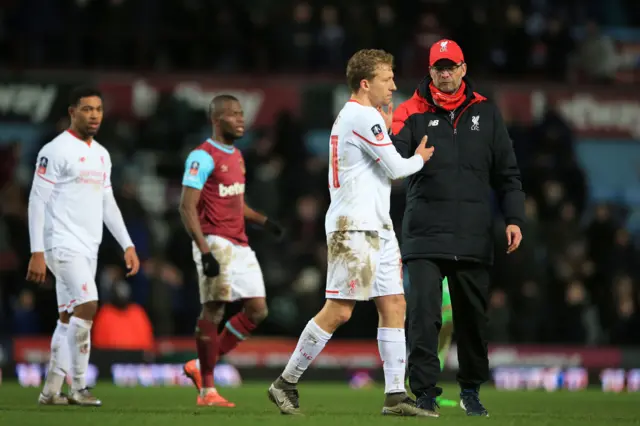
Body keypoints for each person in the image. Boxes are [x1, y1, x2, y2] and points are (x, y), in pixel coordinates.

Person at [267, 49, 436, 417]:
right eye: (387, 78)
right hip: (355, 227)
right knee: (340, 311)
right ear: (365, 82)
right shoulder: (361, 115)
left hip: (378, 225)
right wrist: (421, 157)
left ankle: (394, 395)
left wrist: (388, 133)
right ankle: (285, 382)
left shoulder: (361, 118)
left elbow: (376, 166)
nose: (394, 84)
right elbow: (395, 169)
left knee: (394, 304)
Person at [391, 39, 525, 416]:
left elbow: (508, 174)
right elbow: (392, 161)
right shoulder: (409, 111)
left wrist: (514, 218)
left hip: (473, 234)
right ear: (429, 71)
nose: (445, 73)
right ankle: (425, 394)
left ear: (464, 69)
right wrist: (386, 134)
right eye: (438, 67)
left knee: (472, 321)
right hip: (424, 233)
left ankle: (470, 391)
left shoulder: (487, 112)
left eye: (451, 66)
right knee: (423, 318)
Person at [28, 86, 141, 406]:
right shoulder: (55, 150)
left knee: (68, 317)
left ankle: (50, 391)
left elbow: (108, 202)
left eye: (99, 110)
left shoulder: (102, 154)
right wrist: (37, 251)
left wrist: (127, 244)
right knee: (88, 304)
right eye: (87, 109)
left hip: (88, 247)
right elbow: (37, 201)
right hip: (60, 244)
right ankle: (78, 386)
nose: (94, 115)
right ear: (72, 112)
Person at [179, 94, 285, 407]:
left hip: (239, 242)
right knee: (214, 308)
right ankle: (207, 390)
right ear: (216, 119)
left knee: (257, 310)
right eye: (233, 115)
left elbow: (236, 204)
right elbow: (186, 206)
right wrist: (204, 251)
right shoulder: (202, 156)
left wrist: (264, 221)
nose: (241, 119)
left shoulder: (237, 156)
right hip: (214, 241)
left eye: (242, 114)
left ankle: (200, 365)